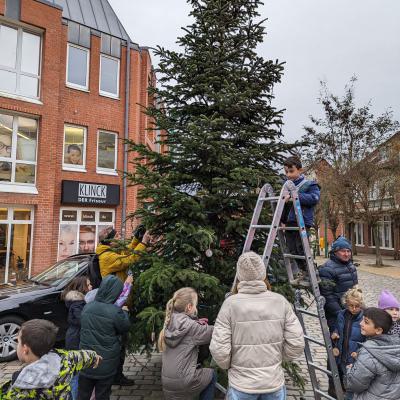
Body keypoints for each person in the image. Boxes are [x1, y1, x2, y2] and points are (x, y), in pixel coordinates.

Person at [210, 252, 304, 399]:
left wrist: (230, 366)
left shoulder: (230, 304)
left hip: (241, 385)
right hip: (273, 383)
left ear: (240, 275)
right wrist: (277, 359)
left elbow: (219, 349)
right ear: (263, 272)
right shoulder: (280, 301)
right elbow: (297, 343)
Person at [96, 226, 151, 385]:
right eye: (118, 237)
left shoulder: (111, 252)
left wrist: (136, 238)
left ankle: (115, 374)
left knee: (120, 342)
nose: (120, 239)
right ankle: (115, 376)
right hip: (116, 306)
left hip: (120, 304)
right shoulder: (106, 257)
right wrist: (144, 243)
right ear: (110, 241)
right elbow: (129, 259)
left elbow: (127, 251)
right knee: (118, 343)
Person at [0, 319, 101, 399]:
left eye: (18, 341)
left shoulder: (21, 386)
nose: (17, 345)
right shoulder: (66, 358)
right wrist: (95, 357)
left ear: (25, 349)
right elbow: (84, 356)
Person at [78, 275, 131, 400]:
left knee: (83, 394)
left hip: (86, 360)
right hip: (105, 363)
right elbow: (124, 327)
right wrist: (124, 312)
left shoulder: (87, 307)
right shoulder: (115, 311)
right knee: (103, 394)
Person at [159, 287, 215, 400]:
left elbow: (187, 328)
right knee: (211, 375)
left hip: (167, 382)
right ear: (189, 307)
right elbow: (216, 332)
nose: (196, 308)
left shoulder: (169, 320)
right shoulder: (192, 327)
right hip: (184, 382)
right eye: (195, 305)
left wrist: (196, 322)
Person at [280, 156, 320, 282]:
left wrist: (295, 195)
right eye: (286, 172)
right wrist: (282, 220)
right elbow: (284, 207)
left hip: (302, 221)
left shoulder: (309, 185)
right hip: (290, 222)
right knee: (292, 249)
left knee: (301, 247)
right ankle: (303, 271)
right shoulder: (286, 186)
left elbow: (314, 198)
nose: (288, 175)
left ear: (300, 170)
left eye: (291, 171)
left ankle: (312, 271)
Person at [346, 307, 400, 399]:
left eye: (366, 322)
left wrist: (350, 370)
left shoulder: (368, 352)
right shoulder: (396, 346)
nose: (360, 323)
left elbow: (356, 385)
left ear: (378, 330)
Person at [62, 276, 93, 400]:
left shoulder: (79, 302)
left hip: (75, 338)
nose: (91, 287)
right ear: (82, 288)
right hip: (75, 341)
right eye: (89, 285)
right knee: (76, 374)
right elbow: (82, 321)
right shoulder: (77, 304)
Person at [319, 236, 358, 332]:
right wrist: (340, 313)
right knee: (338, 340)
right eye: (343, 251)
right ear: (335, 252)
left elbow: (355, 289)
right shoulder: (327, 269)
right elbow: (327, 296)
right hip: (336, 314)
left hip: (352, 310)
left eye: (348, 251)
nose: (346, 254)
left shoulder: (351, 266)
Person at [331, 288, 365, 399]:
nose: (354, 309)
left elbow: (368, 339)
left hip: (355, 356)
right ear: (346, 303)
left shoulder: (364, 318)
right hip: (342, 355)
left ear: (361, 304)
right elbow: (337, 327)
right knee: (346, 378)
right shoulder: (341, 315)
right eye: (351, 305)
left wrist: (359, 352)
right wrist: (335, 333)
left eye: (357, 306)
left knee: (354, 383)